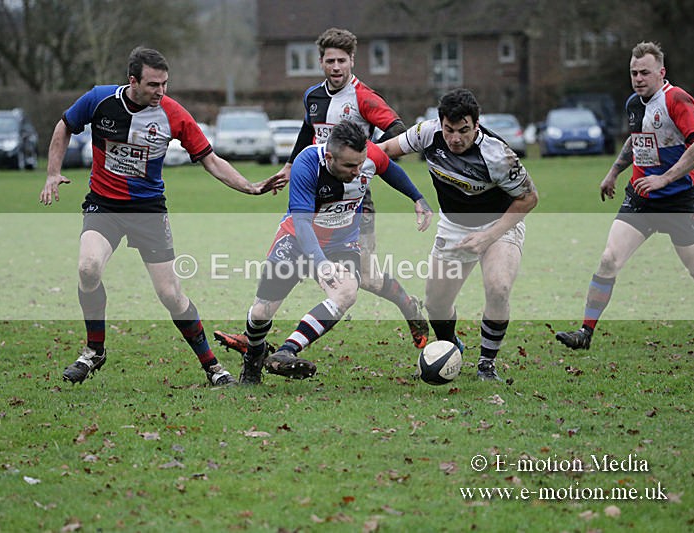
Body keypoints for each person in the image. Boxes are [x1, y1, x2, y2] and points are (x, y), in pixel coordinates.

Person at [39, 47, 284, 386]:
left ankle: (212, 367)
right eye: (154, 85)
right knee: (87, 267)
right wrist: (53, 172)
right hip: (104, 206)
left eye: (165, 84)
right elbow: (64, 126)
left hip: (148, 211)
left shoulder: (172, 113)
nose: (161, 91)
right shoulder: (99, 100)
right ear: (132, 81)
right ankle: (94, 351)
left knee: (170, 294)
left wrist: (250, 187)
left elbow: (210, 159)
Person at [215, 28, 429, 354]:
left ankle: (408, 307)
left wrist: (370, 158)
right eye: (330, 61)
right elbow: (307, 130)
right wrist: (289, 167)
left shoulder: (364, 98)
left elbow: (396, 129)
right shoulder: (313, 96)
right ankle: (262, 331)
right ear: (321, 62)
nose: (336, 67)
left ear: (352, 61)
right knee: (331, 260)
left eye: (342, 60)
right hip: (316, 180)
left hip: (356, 191)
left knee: (366, 277)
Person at [236, 120, 432, 384]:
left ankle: (286, 351)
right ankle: (253, 362)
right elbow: (303, 223)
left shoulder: (367, 155)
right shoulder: (307, 164)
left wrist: (417, 197)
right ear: (329, 157)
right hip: (296, 238)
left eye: (361, 164)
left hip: (342, 242)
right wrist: (319, 263)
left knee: (347, 291)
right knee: (261, 312)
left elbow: (389, 168)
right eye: (350, 166)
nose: (358, 171)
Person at [556, 41, 694, 350]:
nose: (639, 78)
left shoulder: (678, 100)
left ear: (661, 72)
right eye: (634, 73)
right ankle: (585, 333)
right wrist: (613, 172)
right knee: (608, 259)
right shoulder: (633, 103)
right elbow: (636, 142)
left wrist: (664, 179)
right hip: (640, 200)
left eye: (645, 72)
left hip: (680, 201)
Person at [378, 88, 538, 381]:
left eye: (464, 130)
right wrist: (354, 161)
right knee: (436, 302)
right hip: (454, 225)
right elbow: (386, 151)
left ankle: (487, 364)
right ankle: (450, 349)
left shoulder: (498, 154)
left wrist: (488, 236)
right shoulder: (427, 133)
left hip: (500, 223)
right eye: (449, 130)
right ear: (440, 124)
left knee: (498, 287)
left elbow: (529, 198)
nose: (455, 138)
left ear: (476, 125)